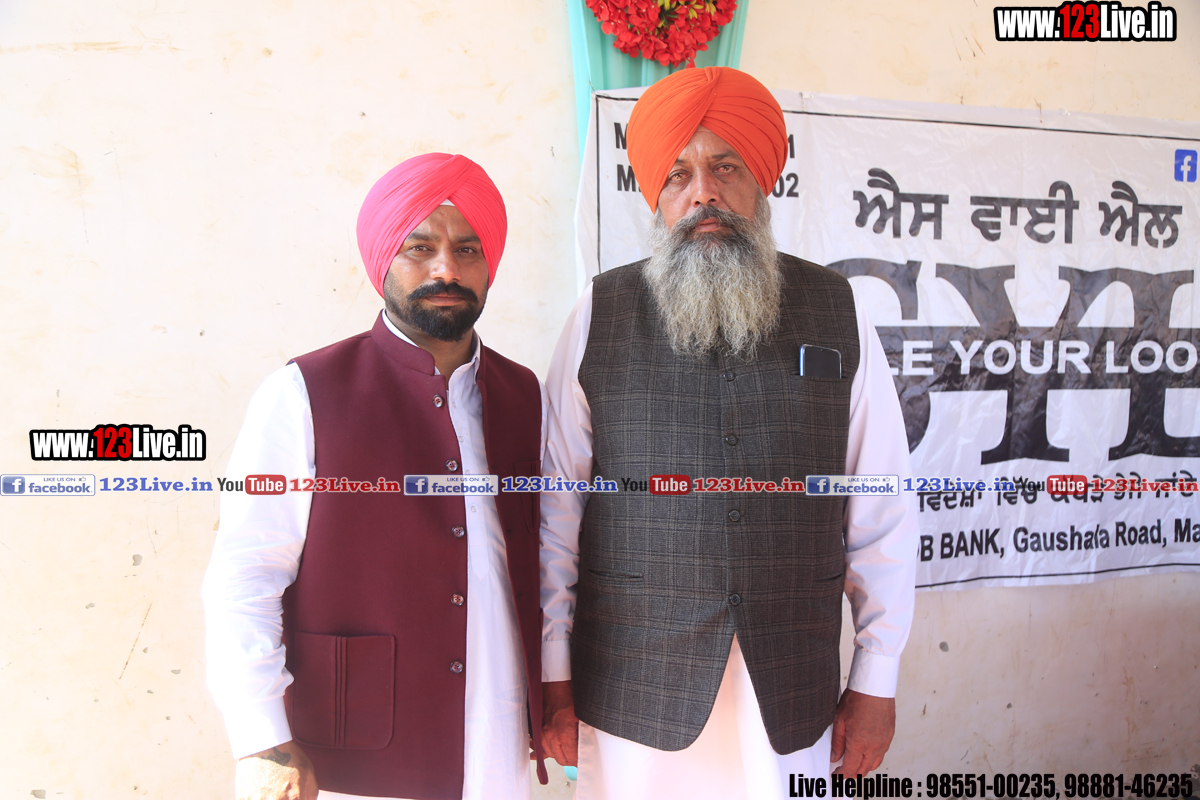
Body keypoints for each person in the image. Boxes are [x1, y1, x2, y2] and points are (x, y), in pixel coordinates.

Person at [538, 67, 919, 799]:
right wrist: (554, 673)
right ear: (656, 195)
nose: (703, 193)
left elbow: (883, 509)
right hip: (634, 682)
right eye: (678, 174)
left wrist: (878, 678)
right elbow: (557, 513)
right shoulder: (599, 313)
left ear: (761, 182)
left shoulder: (837, 307)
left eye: (725, 167)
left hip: (788, 684)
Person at [202, 153, 548, 800]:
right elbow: (245, 574)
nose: (447, 269)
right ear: (382, 259)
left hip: (498, 744)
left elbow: (544, 559)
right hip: (353, 756)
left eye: (467, 249)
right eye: (420, 247)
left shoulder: (523, 394)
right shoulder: (303, 393)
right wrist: (261, 740)